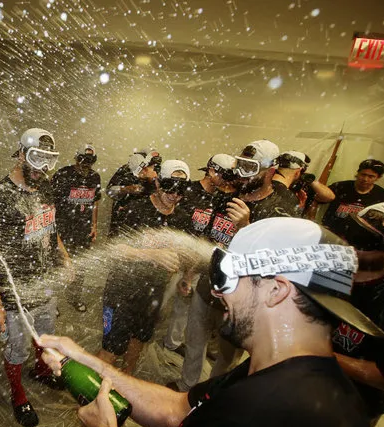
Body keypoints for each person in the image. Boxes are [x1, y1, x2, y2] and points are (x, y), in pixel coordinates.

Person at [40, 217, 384, 427]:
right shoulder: (276, 372)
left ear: (276, 290)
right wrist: (85, 359)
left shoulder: (260, 418)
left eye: (227, 277)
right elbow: (178, 409)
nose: (217, 291)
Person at [169, 140, 302, 392]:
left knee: (227, 358)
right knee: (194, 341)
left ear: (270, 170)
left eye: (250, 167)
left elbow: (276, 262)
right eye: (239, 165)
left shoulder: (280, 209)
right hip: (207, 284)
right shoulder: (225, 197)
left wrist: (246, 227)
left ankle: (211, 397)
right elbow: (208, 240)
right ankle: (187, 386)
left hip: (243, 299)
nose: (242, 174)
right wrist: (189, 274)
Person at [0, 128, 73, 427]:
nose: (41, 168)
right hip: (15, 292)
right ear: (20, 154)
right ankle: (18, 394)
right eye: (35, 159)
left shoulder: (45, 186)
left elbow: (50, 229)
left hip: (45, 283)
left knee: (44, 337)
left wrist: (65, 257)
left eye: (47, 160)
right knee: (16, 347)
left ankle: (41, 371)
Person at [98, 160, 190, 374]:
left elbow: (186, 251)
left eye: (181, 190)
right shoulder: (135, 210)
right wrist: (150, 255)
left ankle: (127, 380)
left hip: (153, 293)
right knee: (111, 349)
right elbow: (115, 249)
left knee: (138, 340)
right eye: (170, 188)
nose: (174, 196)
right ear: (158, 183)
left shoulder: (181, 219)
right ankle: (92, 395)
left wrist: (187, 275)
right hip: (122, 290)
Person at [162, 154, 238, 357]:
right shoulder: (187, 190)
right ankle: (143, 334)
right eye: (224, 175)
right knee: (161, 299)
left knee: (184, 304)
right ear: (211, 171)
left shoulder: (220, 199)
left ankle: (172, 341)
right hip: (176, 257)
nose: (227, 180)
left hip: (198, 261)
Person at [332, 202, 384, 427]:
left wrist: (315, 353)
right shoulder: (338, 264)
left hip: (356, 405)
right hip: (306, 381)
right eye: (350, 232)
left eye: (364, 241)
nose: (350, 246)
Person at [51, 144, 102, 312]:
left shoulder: (95, 177)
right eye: (83, 159)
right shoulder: (63, 174)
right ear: (76, 157)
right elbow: (50, 202)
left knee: (80, 266)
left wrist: (94, 225)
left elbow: (95, 202)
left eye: (90, 160)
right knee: (58, 265)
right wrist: (52, 228)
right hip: (63, 228)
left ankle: (74, 297)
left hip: (83, 229)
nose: (86, 164)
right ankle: (53, 302)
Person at [321, 159, 384, 239]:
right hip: (331, 233)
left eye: (371, 176)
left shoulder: (382, 194)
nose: (365, 179)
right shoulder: (340, 186)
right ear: (358, 173)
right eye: (363, 174)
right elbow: (319, 200)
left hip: (359, 239)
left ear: (378, 177)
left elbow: (381, 221)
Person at [106, 150, 161, 236]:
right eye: (141, 170)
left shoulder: (158, 175)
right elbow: (109, 191)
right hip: (121, 219)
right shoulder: (125, 170)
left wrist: (153, 181)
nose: (143, 172)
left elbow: (164, 199)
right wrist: (126, 189)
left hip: (144, 222)